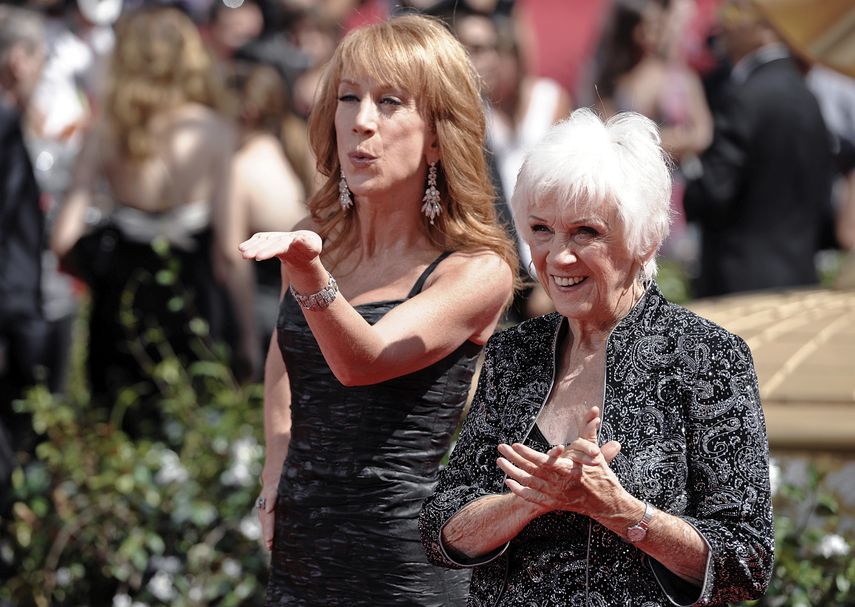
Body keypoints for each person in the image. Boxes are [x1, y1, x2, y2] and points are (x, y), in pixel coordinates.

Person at [420, 108, 775, 605]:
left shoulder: (706, 357)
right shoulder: (513, 352)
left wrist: (617, 509)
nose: (558, 257)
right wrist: (527, 503)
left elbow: (746, 561)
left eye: (585, 232)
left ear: (643, 237)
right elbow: (441, 529)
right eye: (541, 230)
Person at [237, 15, 517, 606]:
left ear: (438, 136)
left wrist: (309, 274)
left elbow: (363, 361)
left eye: (390, 102)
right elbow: (284, 361)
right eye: (348, 98)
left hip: (403, 566)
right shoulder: (315, 237)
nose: (361, 121)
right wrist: (276, 466)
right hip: (302, 553)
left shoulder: (476, 268)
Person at [50, 6, 236, 432]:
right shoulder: (215, 130)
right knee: (191, 425)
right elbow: (228, 252)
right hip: (192, 291)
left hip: (121, 294)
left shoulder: (106, 132)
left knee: (118, 424)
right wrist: (244, 333)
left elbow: (63, 239)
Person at [683, 0, 833, 297]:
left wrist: (688, 186)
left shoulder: (744, 96)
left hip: (739, 284)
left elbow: (714, 192)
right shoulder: (807, 95)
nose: (720, 23)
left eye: (735, 10)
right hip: (801, 277)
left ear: (766, 27)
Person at [218, 61, 308, 381]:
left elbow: (231, 257)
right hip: (306, 311)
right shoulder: (299, 154)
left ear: (247, 113)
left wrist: (245, 340)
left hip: (262, 313)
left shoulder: (241, 167)